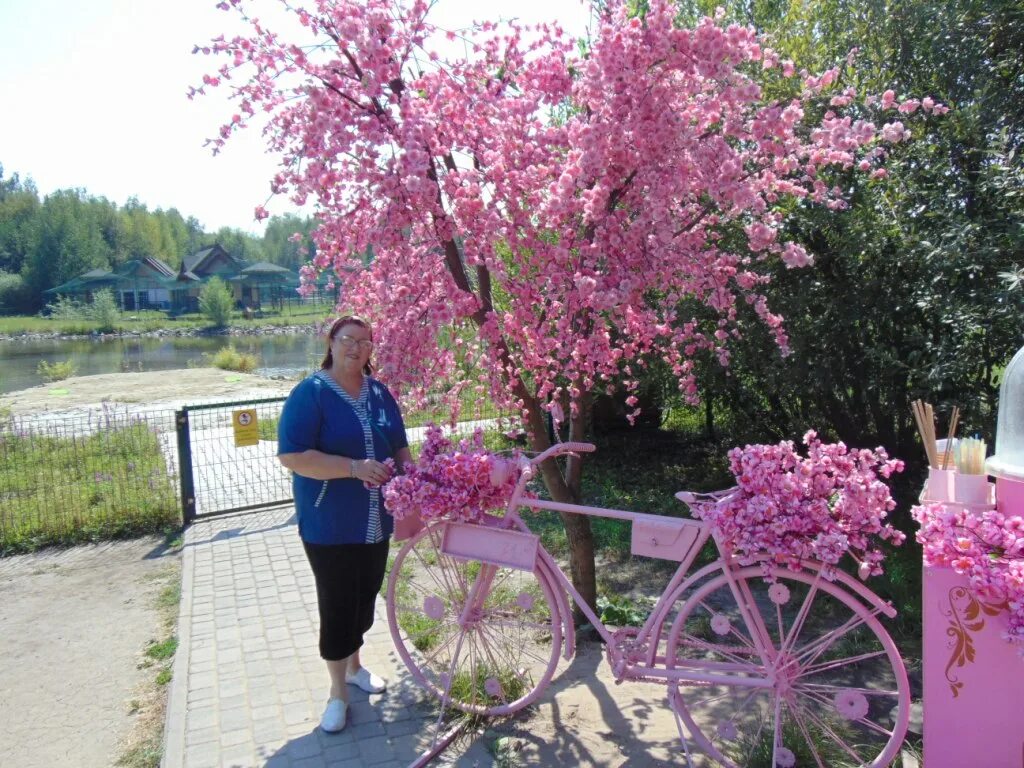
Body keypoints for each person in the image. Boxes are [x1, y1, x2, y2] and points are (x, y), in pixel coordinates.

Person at [277, 315, 412, 733]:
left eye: (365, 342)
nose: (356, 348)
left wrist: (418, 480)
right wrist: (353, 468)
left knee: (365, 595)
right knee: (338, 603)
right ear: (331, 343)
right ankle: (338, 693)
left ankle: (355, 667)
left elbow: (401, 447)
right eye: (348, 339)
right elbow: (293, 455)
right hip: (329, 522)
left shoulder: (380, 394)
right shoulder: (311, 393)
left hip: (376, 521)